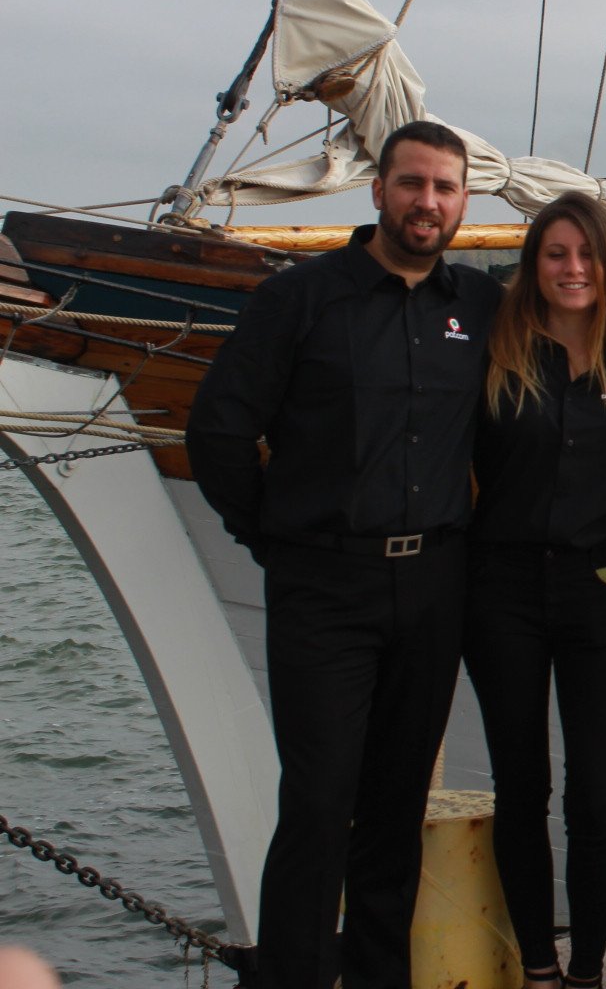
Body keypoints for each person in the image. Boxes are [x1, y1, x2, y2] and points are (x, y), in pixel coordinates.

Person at [186, 120, 501, 989]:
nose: (427, 202)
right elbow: (218, 432)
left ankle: (376, 976)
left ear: (462, 202)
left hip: (433, 583)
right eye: (412, 183)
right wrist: (272, 536)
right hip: (324, 585)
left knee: (396, 807)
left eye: (444, 188)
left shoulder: (480, 306)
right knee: (320, 802)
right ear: (378, 190)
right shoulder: (301, 299)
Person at [467, 190, 606, 989]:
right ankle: (538, 966)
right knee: (521, 788)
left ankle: (587, 970)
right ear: (533, 263)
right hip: (503, 591)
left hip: (603, 591)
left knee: (595, 798)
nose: (573, 269)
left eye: (587, 255)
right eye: (556, 254)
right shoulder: (498, 348)